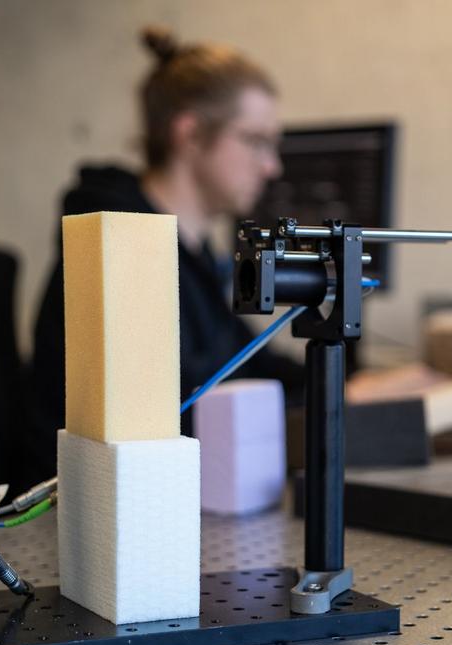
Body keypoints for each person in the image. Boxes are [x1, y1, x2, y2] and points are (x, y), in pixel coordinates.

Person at [28, 27, 303, 478]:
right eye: (256, 141)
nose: (272, 166)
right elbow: (184, 413)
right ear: (190, 134)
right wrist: (341, 400)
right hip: (100, 501)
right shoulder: (124, 250)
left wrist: (342, 384)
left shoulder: (194, 257)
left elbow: (250, 363)